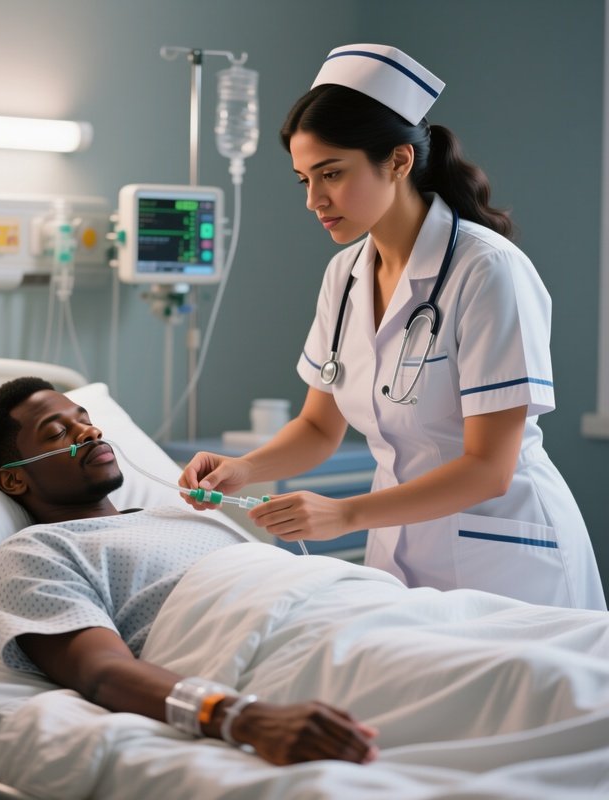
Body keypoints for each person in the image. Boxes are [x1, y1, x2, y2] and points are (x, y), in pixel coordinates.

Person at [179, 43, 606, 611]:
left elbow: (489, 469)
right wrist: (245, 469)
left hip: (505, 562)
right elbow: (317, 426)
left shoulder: (487, 270)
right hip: (399, 553)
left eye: (331, 173)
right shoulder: (346, 274)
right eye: (303, 179)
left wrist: (346, 512)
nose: (314, 200)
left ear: (400, 161)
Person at [0, 377, 379, 766]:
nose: (89, 434)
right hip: (291, 654)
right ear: (14, 481)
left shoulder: (181, 516)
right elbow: (101, 673)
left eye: (85, 420)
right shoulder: (35, 553)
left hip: (362, 611)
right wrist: (240, 718)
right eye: (57, 433)